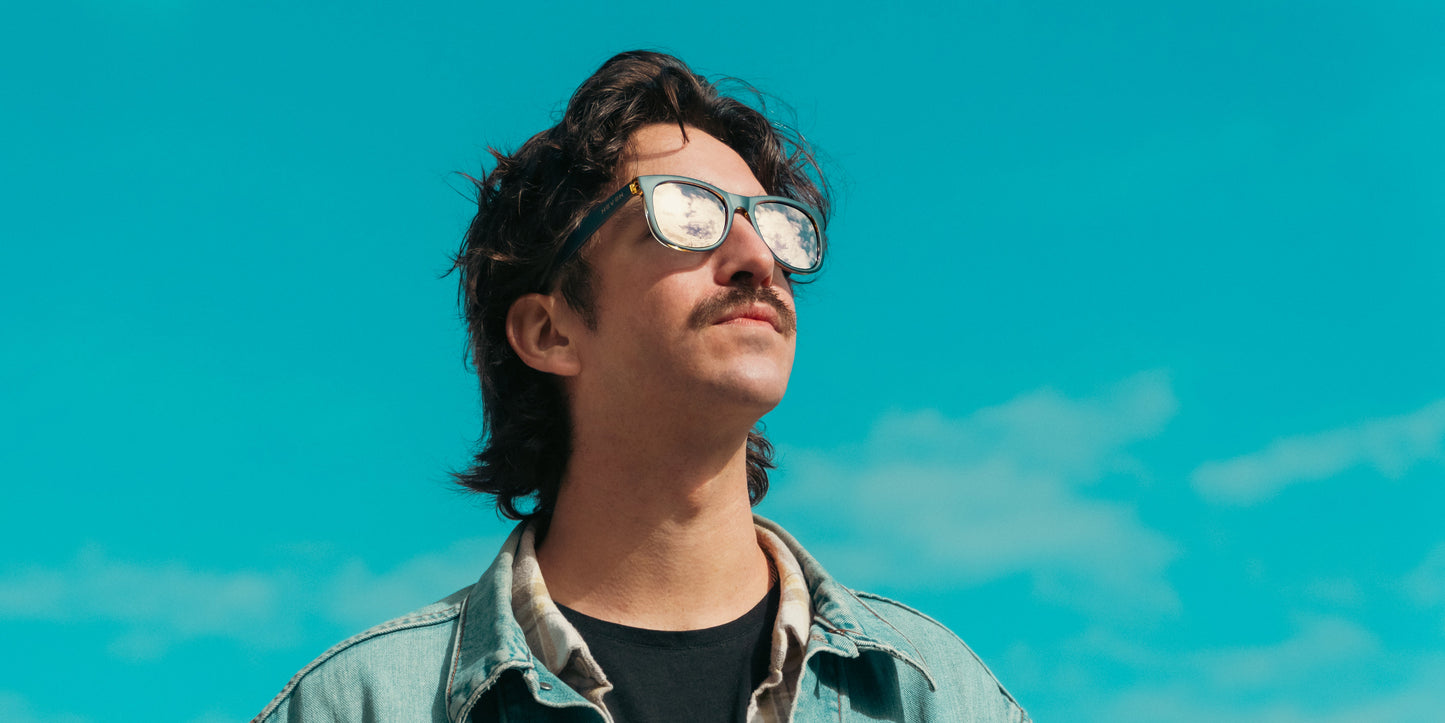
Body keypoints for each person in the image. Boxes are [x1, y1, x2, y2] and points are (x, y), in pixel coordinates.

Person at [253, 50, 1029, 723]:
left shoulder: (933, 692)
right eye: (687, 215)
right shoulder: (366, 703)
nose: (756, 256)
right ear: (549, 331)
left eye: (771, 222)